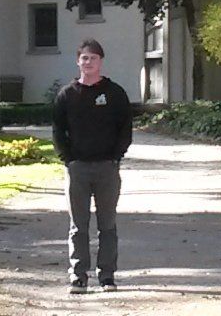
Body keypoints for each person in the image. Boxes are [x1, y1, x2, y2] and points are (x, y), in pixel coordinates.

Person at [52, 38, 133, 294]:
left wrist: (116, 156)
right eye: (84, 58)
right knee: (78, 226)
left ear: (101, 62)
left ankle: (107, 276)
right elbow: (57, 130)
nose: (88, 62)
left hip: (107, 168)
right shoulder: (67, 95)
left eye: (93, 58)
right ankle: (78, 276)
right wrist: (68, 159)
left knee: (107, 224)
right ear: (78, 61)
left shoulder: (115, 93)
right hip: (78, 169)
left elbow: (125, 129)